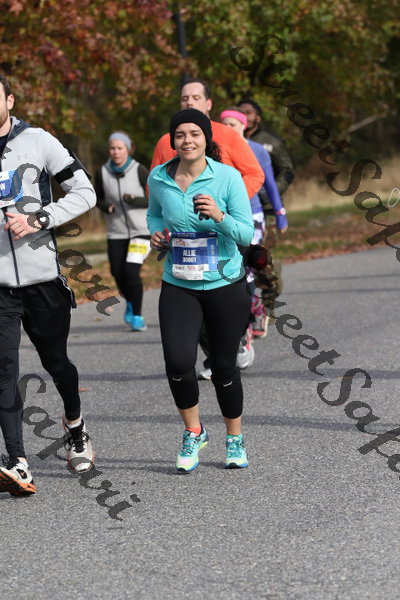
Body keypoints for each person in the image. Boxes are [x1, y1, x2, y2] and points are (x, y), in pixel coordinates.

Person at [0, 74, 96, 496]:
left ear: (10, 100)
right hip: (0, 287)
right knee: (4, 370)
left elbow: (85, 192)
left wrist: (40, 218)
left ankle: (75, 426)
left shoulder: (38, 141)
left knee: (57, 363)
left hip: (42, 280)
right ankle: (18, 462)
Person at [147, 108, 254, 472]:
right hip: (179, 283)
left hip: (225, 283)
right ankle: (194, 431)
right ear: (172, 140)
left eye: (195, 133)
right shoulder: (159, 177)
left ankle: (234, 438)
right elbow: (154, 214)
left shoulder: (227, 177)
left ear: (207, 138)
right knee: (178, 363)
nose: (187, 140)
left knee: (223, 366)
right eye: (180, 135)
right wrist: (156, 234)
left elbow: (246, 233)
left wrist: (219, 216)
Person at [151, 78, 264, 372]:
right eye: (184, 98)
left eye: (196, 97)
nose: (190, 102)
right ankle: (214, 355)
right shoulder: (165, 142)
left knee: (227, 289)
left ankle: (236, 336)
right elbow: (157, 191)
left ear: (209, 103)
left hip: (223, 227)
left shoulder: (228, 135)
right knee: (190, 295)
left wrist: (227, 207)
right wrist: (161, 227)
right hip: (184, 241)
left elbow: (254, 173)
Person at [220, 106, 288, 338]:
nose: (228, 129)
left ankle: (257, 309)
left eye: (232, 125)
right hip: (225, 217)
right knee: (233, 268)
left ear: (243, 125)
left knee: (249, 266)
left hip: (253, 215)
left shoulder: (257, 150)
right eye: (224, 125)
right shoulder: (215, 150)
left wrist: (280, 213)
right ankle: (245, 314)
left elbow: (269, 184)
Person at [96, 132, 150, 331]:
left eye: (120, 148)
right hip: (116, 232)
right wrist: (106, 207)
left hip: (141, 231)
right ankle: (131, 301)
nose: (116, 152)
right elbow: (96, 198)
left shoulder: (139, 170)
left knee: (131, 272)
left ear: (128, 149)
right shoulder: (102, 172)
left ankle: (137, 316)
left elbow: (155, 197)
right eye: (112, 148)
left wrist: (135, 201)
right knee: (117, 272)